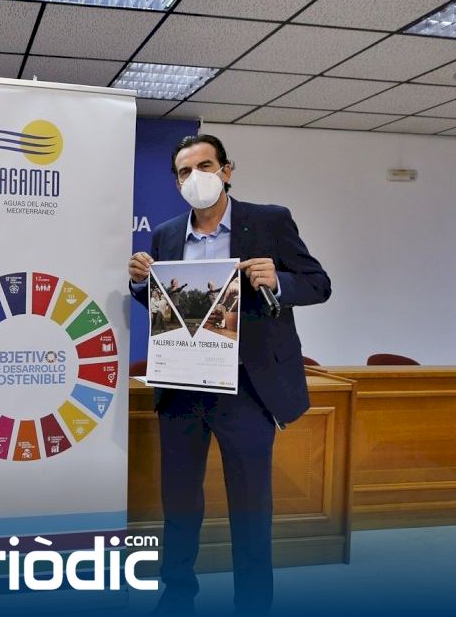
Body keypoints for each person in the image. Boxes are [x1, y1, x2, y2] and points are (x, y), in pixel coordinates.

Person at [128, 134, 331, 615]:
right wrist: (138, 284)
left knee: (250, 506)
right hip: (182, 388)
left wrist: (279, 280)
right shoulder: (166, 234)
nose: (195, 177)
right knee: (179, 502)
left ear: (226, 170)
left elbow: (319, 284)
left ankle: (253, 604)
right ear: (176, 182)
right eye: (184, 171)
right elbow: (165, 304)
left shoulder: (269, 221)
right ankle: (177, 595)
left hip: (246, 389)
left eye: (205, 166)